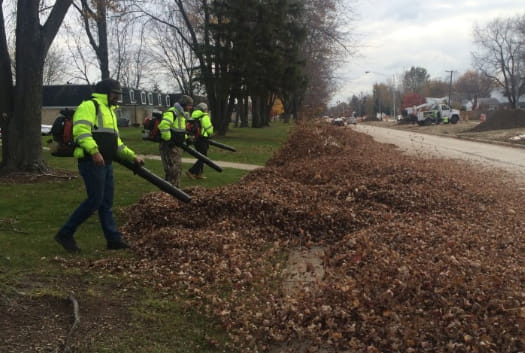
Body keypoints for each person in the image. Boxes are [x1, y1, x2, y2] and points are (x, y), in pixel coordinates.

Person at [54, 78, 144, 253]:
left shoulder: (110, 112)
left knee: (106, 203)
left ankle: (113, 239)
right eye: (115, 94)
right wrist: (94, 151)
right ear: (105, 93)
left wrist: (132, 157)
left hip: (107, 162)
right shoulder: (89, 106)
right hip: (91, 161)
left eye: (118, 94)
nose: (117, 98)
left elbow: (116, 142)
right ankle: (65, 233)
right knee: (95, 200)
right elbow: (81, 131)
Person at [158, 95, 193, 186]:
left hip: (175, 146)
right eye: (189, 105)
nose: (190, 107)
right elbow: (163, 126)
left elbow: (180, 131)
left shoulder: (181, 115)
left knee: (177, 169)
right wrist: (168, 139)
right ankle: (171, 192)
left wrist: (186, 138)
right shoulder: (172, 112)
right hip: (169, 146)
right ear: (184, 104)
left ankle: (173, 191)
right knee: (172, 170)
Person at [186, 102, 214, 179]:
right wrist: (211, 130)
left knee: (201, 156)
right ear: (204, 109)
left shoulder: (194, 115)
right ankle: (191, 171)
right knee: (203, 158)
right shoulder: (204, 116)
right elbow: (209, 129)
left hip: (196, 138)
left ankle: (198, 174)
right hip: (203, 139)